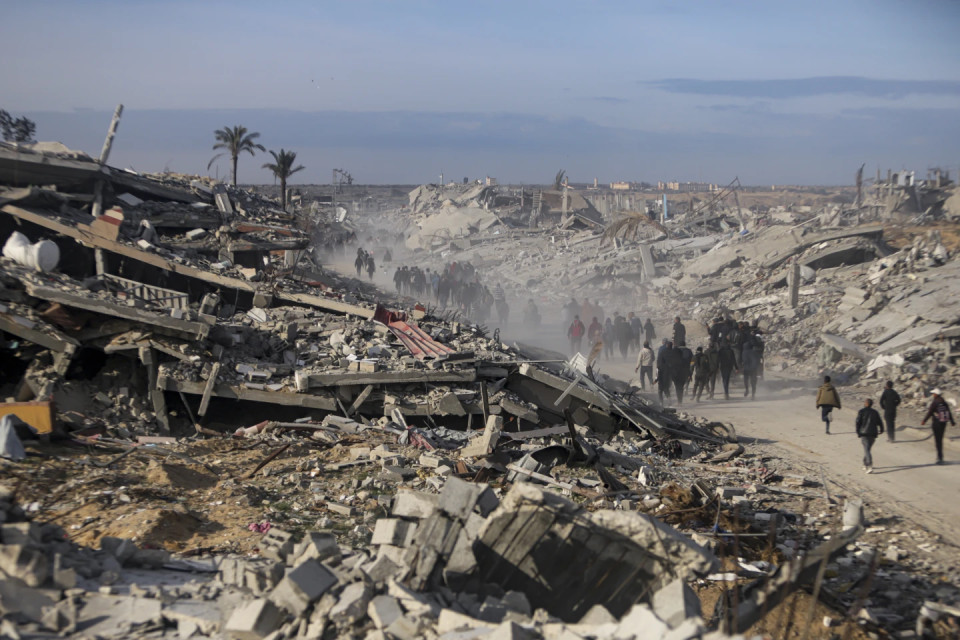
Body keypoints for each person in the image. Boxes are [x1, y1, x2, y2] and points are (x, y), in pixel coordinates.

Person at [921, 389, 954, 464]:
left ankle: (939, 458)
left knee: (937, 441)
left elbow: (930, 412)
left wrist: (924, 421)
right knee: (940, 440)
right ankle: (940, 457)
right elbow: (949, 412)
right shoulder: (944, 402)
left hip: (936, 423)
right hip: (944, 423)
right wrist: (952, 421)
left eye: (933, 394)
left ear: (936, 394)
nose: (933, 395)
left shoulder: (935, 402)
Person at [855, 398, 884, 473]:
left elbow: (858, 422)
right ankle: (865, 464)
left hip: (864, 433)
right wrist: (881, 429)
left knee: (867, 450)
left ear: (866, 403)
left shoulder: (862, 411)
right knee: (867, 449)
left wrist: (858, 432)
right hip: (873, 433)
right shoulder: (875, 412)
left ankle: (869, 466)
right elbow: (880, 422)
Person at [656, 340, 673, 406]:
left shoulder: (662, 352)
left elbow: (658, 363)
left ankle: (661, 402)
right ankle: (669, 400)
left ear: (666, 345)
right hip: (670, 373)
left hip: (662, 372)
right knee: (666, 388)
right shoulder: (673, 352)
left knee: (660, 389)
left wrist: (656, 377)